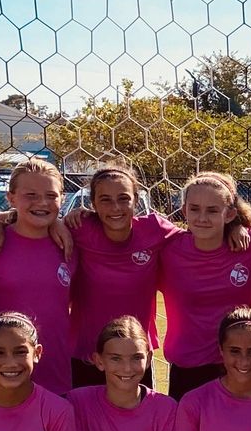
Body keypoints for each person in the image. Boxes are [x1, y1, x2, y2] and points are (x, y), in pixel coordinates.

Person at [0, 158, 77, 396]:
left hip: (54, 376)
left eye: (51, 195)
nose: (42, 203)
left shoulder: (70, 244)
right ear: (11, 198)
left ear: (63, 199)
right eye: (31, 195)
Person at [64, 165, 179, 388]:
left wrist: (235, 226)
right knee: (83, 421)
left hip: (134, 355)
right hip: (86, 353)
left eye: (123, 198)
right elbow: (31, 225)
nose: (115, 207)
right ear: (93, 203)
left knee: (137, 420)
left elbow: (203, 235)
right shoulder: (79, 229)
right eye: (105, 199)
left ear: (136, 200)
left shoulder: (155, 229)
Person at [159, 172, 251, 401]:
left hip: (237, 365)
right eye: (195, 209)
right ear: (184, 211)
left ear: (230, 214)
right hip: (187, 368)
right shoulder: (168, 246)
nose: (202, 218)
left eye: (213, 210)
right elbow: (126, 226)